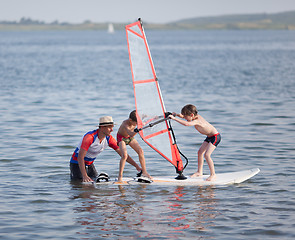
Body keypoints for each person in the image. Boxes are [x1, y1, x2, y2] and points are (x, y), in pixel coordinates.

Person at [70, 116, 142, 182]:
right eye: (109, 127)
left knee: (94, 182)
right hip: (77, 163)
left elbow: (123, 155)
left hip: (89, 164)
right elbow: (80, 157)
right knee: (79, 184)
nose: (112, 130)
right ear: (102, 127)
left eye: (112, 127)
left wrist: (137, 166)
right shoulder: (89, 137)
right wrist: (84, 175)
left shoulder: (109, 139)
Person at [168, 104, 221, 181]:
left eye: (186, 117)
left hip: (215, 137)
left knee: (207, 155)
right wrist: (176, 115)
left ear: (192, 115)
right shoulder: (193, 116)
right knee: (200, 152)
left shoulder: (197, 121)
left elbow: (187, 124)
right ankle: (199, 172)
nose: (185, 118)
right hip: (209, 137)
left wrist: (174, 119)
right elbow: (183, 116)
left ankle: (213, 174)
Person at [117, 110, 151, 182]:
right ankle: (120, 176)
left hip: (130, 138)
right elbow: (131, 133)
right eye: (136, 123)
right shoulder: (125, 124)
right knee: (124, 156)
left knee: (140, 151)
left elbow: (150, 116)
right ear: (130, 120)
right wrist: (137, 130)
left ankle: (144, 172)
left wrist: (162, 115)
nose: (137, 124)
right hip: (122, 138)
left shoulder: (137, 118)